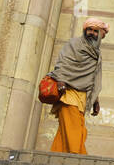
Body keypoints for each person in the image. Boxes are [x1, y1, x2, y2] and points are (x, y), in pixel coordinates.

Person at [46, 18, 107, 154]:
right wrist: (61, 80)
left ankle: (57, 157)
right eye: (89, 30)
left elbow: (93, 78)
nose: (91, 33)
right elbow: (63, 62)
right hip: (68, 93)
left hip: (83, 97)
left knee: (66, 131)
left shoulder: (96, 53)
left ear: (101, 34)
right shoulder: (74, 44)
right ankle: (79, 159)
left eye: (95, 31)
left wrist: (95, 100)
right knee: (76, 131)